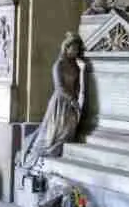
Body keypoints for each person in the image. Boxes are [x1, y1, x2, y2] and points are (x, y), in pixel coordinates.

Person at [19, 33, 86, 171]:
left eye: (77, 49)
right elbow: (59, 87)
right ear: (66, 48)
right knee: (53, 134)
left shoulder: (75, 66)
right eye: (73, 48)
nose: (75, 52)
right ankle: (36, 153)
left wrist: (78, 96)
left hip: (71, 103)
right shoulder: (58, 65)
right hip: (60, 103)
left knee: (67, 132)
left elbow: (77, 84)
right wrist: (72, 100)